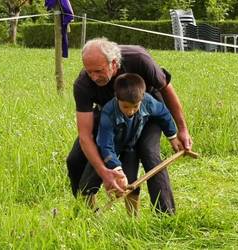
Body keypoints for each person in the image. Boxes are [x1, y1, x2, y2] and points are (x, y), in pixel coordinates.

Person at [66, 37, 192, 214]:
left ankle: (165, 214)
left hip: (147, 111)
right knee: (75, 160)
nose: (93, 77)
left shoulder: (139, 59)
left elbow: (166, 89)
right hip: (109, 117)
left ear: (114, 64)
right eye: (89, 71)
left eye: (99, 71)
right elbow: (85, 136)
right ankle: (86, 212)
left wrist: (181, 130)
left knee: (149, 153)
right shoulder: (83, 84)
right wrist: (104, 171)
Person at [90, 73, 180, 216]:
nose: (130, 111)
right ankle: (89, 212)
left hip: (131, 146)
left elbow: (163, 114)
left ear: (142, 99)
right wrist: (116, 168)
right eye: (125, 106)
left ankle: (133, 218)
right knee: (93, 179)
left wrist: (173, 137)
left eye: (135, 106)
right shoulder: (108, 112)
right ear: (117, 98)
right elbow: (105, 144)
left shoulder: (148, 102)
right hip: (115, 147)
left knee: (131, 181)